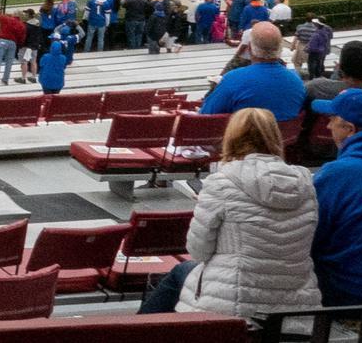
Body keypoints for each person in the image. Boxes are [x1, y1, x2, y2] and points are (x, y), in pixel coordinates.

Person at [138, 107, 322, 315]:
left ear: (232, 138)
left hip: (233, 302)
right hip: (294, 302)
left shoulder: (220, 183)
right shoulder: (306, 185)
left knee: (179, 273)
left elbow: (198, 251)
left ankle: (132, 333)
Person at [310, 89, 362, 305]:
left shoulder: (337, 175)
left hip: (354, 293)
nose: (328, 126)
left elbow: (308, 237)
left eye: (332, 119)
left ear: (350, 129)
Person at [201, 23, 307, 121]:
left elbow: (207, 114)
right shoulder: (296, 80)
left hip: (246, 139)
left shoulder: (233, 79)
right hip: (284, 139)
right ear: (281, 49)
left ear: (250, 49)